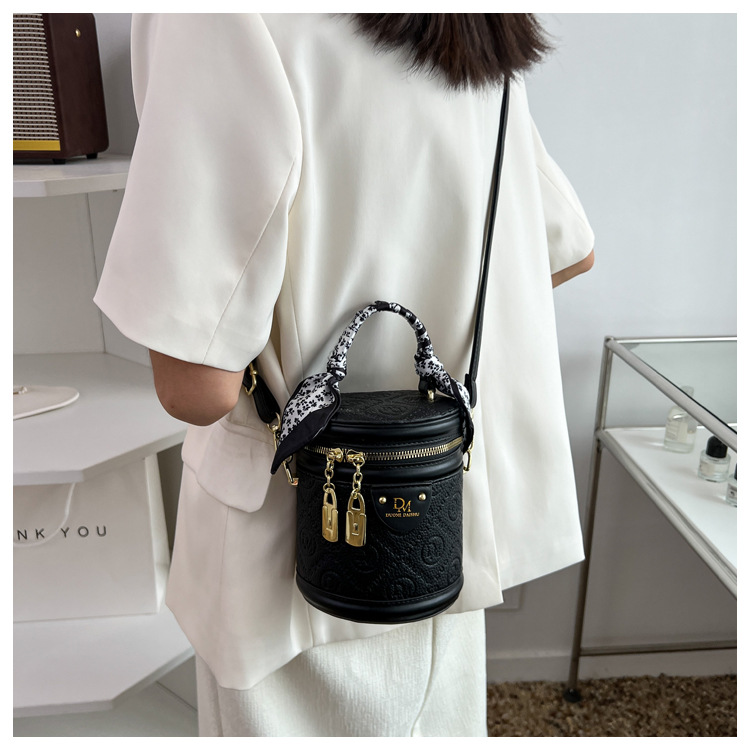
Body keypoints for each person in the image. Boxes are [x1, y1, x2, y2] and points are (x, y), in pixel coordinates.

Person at [94, 13, 595, 737]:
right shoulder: (467, 19)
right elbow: (566, 252)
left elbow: (195, 388)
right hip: (438, 518)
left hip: (293, 551)